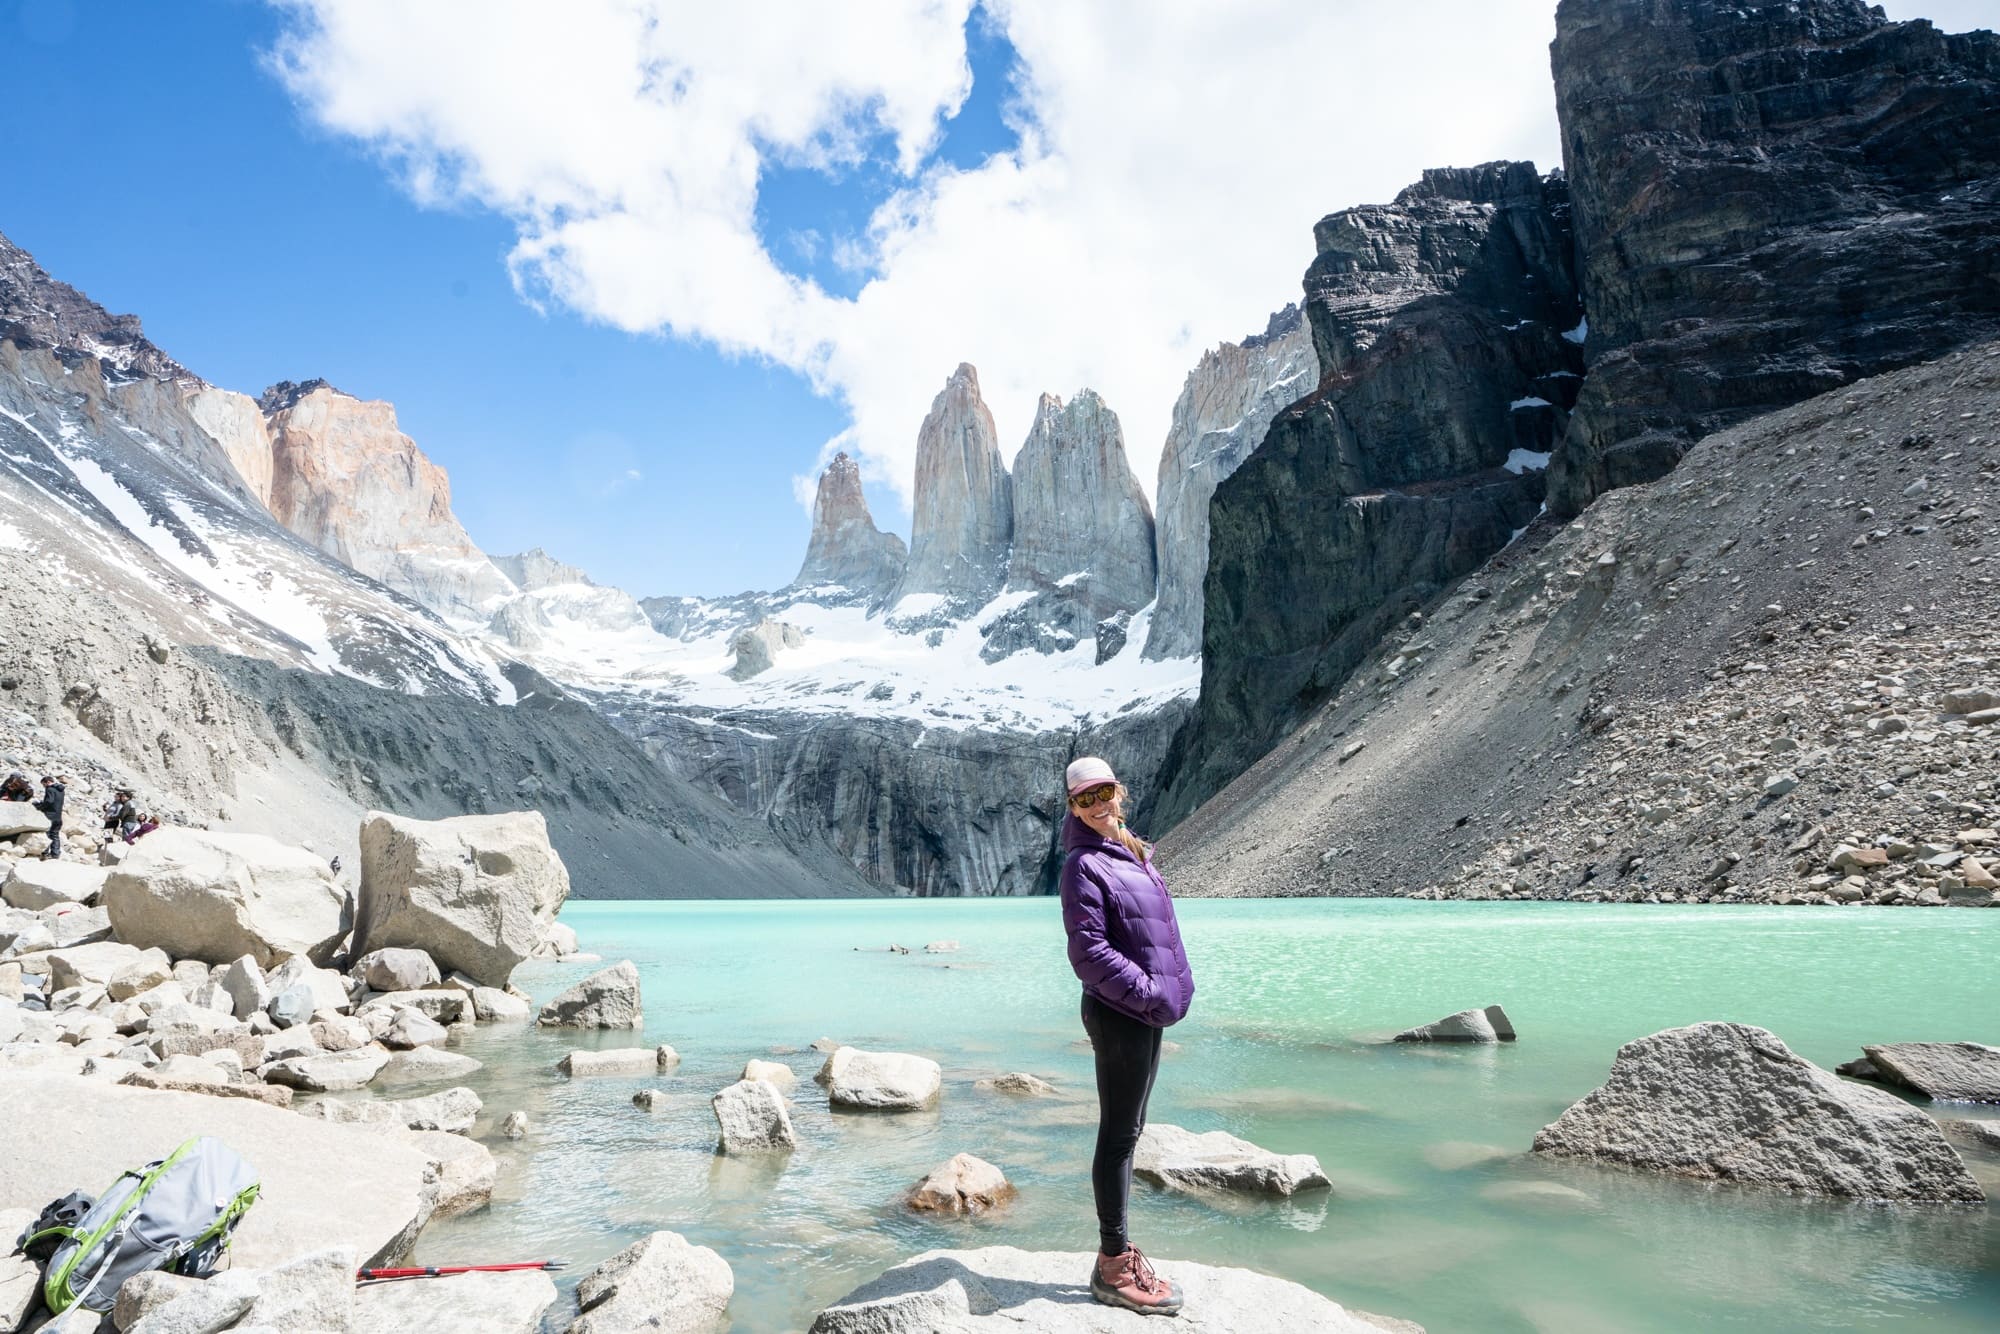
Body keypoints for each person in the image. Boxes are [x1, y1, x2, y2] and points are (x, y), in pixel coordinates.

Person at [1057, 755, 1195, 1316]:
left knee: (1130, 1129)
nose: (1096, 805)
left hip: (1143, 1011)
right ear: (1072, 807)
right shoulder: (1083, 865)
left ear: (1120, 792)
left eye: (1103, 792)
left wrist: (1177, 989)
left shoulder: (1131, 851)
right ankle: (1114, 1265)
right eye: (1083, 799)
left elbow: (1159, 934)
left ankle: (1116, 1256)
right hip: (1120, 1014)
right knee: (1117, 1135)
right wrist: (1151, 994)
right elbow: (1088, 955)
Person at [33, 775, 66, 860]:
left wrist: (39, 806)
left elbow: (49, 801)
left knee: (47, 834)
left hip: (49, 816)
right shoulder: (61, 790)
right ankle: (55, 854)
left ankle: (45, 853)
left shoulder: (50, 789)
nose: (44, 787)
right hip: (58, 817)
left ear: (47, 782)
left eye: (43, 784)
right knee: (55, 835)